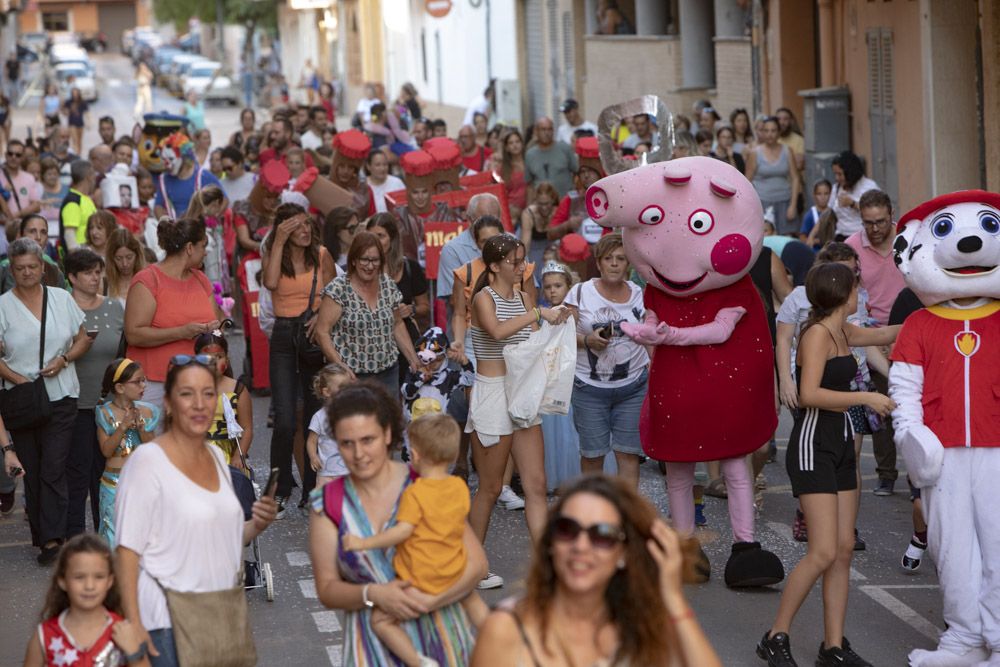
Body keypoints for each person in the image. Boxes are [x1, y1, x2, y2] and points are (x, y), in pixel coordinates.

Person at [757, 262, 897, 667]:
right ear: (842, 293)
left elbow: (888, 333)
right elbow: (809, 394)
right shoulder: (816, 335)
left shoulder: (843, 330)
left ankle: (832, 647)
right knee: (821, 552)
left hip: (838, 442)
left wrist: (941, 311)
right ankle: (775, 635)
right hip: (813, 444)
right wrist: (867, 398)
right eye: (857, 288)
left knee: (844, 548)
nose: (861, 294)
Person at [115, 356, 278, 663]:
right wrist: (134, 628)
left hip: (221, 612)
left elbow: (224, 537)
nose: (199, 403)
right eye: (187, 394)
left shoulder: (216, 459)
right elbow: (127, 552)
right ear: (168, 402)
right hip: (167, 620)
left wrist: (257, 523)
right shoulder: (147, 462)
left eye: (208, 393)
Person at [308, 382, 485, 664]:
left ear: (388, 433)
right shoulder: (328, 502)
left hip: (445, 642)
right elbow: (328, 589)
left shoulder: (426, 481)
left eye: (368, 440)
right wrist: (373, 593)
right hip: (372, 650)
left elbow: (476, 565)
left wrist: (429, 601)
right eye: (346, 443)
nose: (358, 454)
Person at [473, 475, 721, 666]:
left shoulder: (641, 629)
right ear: (550, 544)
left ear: (624, 552)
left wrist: (673, 599)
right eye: (567, 530)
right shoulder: (507, 630)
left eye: (602, 535)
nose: (581, 546)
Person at [466, 234, 569, 587]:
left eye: (522, 260)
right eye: (514, 261)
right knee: (491, 487)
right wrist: (539, 314)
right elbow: (496, 332)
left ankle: (546, 567)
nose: (521, 267)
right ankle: (472, 564)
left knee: (536, 485)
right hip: (492, 393)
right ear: (494, 265)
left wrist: (555, 322)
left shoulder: (525, 296)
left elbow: (531, 340)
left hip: (522, 392)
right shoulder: (483, 297)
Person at [0, 238, 93, 564]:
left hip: (61, 393)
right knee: (34, 467)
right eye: (20, 268)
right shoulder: (3, 306)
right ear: (12, 270)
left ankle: (54, 539)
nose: (27, 273)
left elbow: (83, 338)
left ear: (43, 267)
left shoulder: (61, 298)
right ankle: (43, 535)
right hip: (23, 399)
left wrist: (65, 359)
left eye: (32, 267)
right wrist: (14, 377)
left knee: (53, 466)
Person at [262, 202, 337, 516]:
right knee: (284, 420)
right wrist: (278, 240)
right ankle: (280, 489)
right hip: (282, 335)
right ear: (284, 230)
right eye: (297, 227)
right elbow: (270, 283)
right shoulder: (274, 251)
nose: (305, 231)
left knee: (314, 416)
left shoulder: (321, 255)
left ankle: (311, 488)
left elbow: (336, 292)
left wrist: (320, 313)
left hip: (311, 336)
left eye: (307, 225)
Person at [563, 233, 649, 489]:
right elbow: (562, 333)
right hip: (589, 387)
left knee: (628, 455)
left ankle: (626, 520)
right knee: (592, 456)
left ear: (628, 264)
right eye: (608, 258)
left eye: (621, 259)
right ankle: (593, 518)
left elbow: (649, 335)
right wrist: (587, 341)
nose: (614, 264)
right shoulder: (579, 292)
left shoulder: (639, 294)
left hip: (633, 386)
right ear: (598, 263)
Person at [124, 218, 224, 407]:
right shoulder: (148, 280)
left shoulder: (201, 279)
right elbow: (134, 334)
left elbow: (216, 318)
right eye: (203, 246)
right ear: (189, 248)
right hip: (154, 383)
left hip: (197, 381)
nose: (206, 252)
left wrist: (217, 328)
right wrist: (182, 332)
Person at [845, 189, 906, 497]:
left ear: (891, 215)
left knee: (913, 406)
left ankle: (919, 479)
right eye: (868, 223)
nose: (875, 228)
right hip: (872, 335)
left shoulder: (908, 238)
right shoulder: (852, 248)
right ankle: (886, 474)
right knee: (881, 405)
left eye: (880, 221)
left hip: (909, 331)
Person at [65, 248, 126, 540]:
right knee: (77, 473)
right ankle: (75, 537)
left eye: (97, 271)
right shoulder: (62, 308)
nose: (95, 278)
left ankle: (107, 535)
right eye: (88, 273)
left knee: (108, 475)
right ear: (72, 277)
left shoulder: (115, 307)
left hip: (110, 407)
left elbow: (124, 353)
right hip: (75, 404)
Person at [23, 533, 152, 667]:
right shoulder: (45, 636)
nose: (89, 586)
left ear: (110, 581)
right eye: (79, 577)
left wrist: (134, 652)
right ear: (62, 581)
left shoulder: (123, 630)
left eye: (99, 577)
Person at [316, 231, 420, 395]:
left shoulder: (387, 285)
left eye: (375, 260)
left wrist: (413, 360)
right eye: (365, 259)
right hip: (352, 376)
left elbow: (397, 324)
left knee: (388, 419)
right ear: (354, 260)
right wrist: (340, 366)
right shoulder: (338, 289)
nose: (370, 266)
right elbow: (322, 332)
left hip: (388, 373)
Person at [96, 358, 158, 546]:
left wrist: (141, 429)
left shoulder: (147, 412)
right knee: (113, 533)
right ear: (120, 388)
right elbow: (106, 451)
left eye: (144, 380)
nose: (143, 385)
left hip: (141, 482)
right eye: (137, 381)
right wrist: (122, 427)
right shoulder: (105, 413)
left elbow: (151, 448)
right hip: (113, 484)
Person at [536, 262, 586, 491]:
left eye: (558, 285)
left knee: (571, 431)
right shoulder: (541, 314)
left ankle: (573, 479)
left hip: (571, 375)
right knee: (551, 431)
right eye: (547, 287)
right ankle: (555, 477)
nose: (552, 291)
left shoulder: (573, 312)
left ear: (569, 286)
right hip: (549, 378)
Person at [367, 214, 429, 367]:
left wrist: (410, 309)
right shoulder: (363, 269)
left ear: (392, 238)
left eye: (380, 236)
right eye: (370, 236)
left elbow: (425, 307)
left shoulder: (409, 267)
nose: (375, 241)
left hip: (406, 338)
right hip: (373, 342)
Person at [195, 332, 254, 469]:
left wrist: (239, 455)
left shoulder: (237, 389)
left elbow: (247, 428)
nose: (213, 362)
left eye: (219, 357)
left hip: (229, 455)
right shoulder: (188, 389)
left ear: (227, 360)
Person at [745, 116, 800, 236]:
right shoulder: (755, 153)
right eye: (766, 131)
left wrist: (793, 204)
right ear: (762, 132)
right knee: (764, 239)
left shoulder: (787, 151)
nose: (770, 134)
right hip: (762, 201)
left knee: (786, 238)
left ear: (779, 132)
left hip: (784, 201)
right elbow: (747, 181)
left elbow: (795, 178)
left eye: (773, 130)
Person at [307, 362, 353, 487]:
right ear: (327, 392)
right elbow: (311, 441)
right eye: (342, 387)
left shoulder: (352, 414)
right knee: (324, 504)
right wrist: (313, 456)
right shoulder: (319, 417)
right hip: (326, 473)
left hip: (349, 471)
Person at [0, 215, 66, 292]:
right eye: (32, 231)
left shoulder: (55, 272)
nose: (38, 237)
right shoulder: (4, 269)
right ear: (20, 235)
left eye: (43, 232)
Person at [830, 151, 879, 240]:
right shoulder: (836, 188)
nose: (837, 178)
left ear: (850, 172)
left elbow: (876, 212)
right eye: (835, 174)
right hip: (841, 236)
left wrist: (852, 204)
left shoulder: (868, 187)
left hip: (863, 237)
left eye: (840, 174)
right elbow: (829, 211)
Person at [524, 117, 577, 199]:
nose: (547, 133)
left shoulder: (564, 148)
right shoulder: (530, 154)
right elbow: (529, 185)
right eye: (543, 129)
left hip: (565, 202)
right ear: (536, 131)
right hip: (541, 205)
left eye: (549, 129)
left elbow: (576, 171)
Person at [59, 160, 98, 251]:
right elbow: (69, 233)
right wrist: (76, 256)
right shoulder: (73, 201)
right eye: (93, 175)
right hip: (80, 257)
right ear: (88, 176)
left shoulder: (85, 199)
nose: (95, 179)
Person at [520, 181, 558, 271]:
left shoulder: (557, 212)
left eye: (547, 203)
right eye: (540, 204)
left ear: (553, 201)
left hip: (551, 248)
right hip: (533, 248)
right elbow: (526, 243)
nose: (544, 207)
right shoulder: (528, 214)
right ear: (536, 201)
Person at [1, 139, 42, 217]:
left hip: (22, 225)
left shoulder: (29, 178)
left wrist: (16, 215)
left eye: (18, 155)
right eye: (10, 154)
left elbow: (36, 206)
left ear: (23, 157)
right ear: (6, 155)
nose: (13, 157)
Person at [106, 228, 145, 307]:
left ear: (137, 256)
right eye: (118, 258)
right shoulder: (104, 284)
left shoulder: (147, 282)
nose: (125, 264)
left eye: (129, 257)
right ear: (111, 258)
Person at [38, 157, 69, 245]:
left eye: (55, 174)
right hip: (43, 235)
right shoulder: (38, 189)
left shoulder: (66, 190)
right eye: (49, 174)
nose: (53, 177)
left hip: (62, 234)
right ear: (42, 175)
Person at [498, 129, 528, 220]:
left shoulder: (530, 163)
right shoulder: (502, 169)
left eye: (517, 141)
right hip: (511, 211)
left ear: (522, 144)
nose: (515, 145)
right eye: (511, 143)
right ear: (506, 148)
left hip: (530, 208)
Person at [801, 179, 832, 248]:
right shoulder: (810, 215)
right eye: (819, 194)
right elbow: (802, 238)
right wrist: (815, 241)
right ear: (814, 195)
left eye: (826, 193)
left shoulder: (833, 212)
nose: (823, 197)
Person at [775, 107, 806, 172]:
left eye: (785, 119)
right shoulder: (772, 139)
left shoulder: (799, 140)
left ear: (791, 121)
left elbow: (798, 165)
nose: (781, 122)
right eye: (778, 119)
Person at [63, 88, 88, 156]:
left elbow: (86, 112)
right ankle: (75, 154)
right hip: (72, 123)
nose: (75, 95)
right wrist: (70, 109)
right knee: (75, 140)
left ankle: (79, 154)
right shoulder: (68, 102)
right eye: (73, 93)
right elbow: (65, 113)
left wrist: (88, 122)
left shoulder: (82, 102)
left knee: (79, 141)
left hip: (80, 123)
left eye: (76, 93)